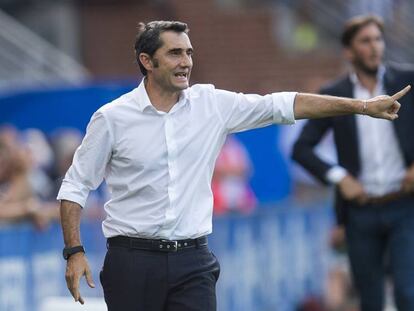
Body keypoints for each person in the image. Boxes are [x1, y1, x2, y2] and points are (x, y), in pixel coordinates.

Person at [57, 20, 410, 311]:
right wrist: (74, 252)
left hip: (193, 260)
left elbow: (286, 104)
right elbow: (75, 186)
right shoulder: (112, 118)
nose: (186, 62)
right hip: (132, 260)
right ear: (147, 61)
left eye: (189, 53)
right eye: (175, 53)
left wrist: (362, 106)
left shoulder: (212, 104)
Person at [292, 15, 414, 311]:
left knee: (407, 293)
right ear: (348, 51)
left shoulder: (408, 82)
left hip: (405, 206)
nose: (374, 47)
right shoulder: (336, 96)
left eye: (378, 39)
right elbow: (301, 148)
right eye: (365, 41)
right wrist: (338, 177)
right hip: (361, 211)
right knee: (369, 300)